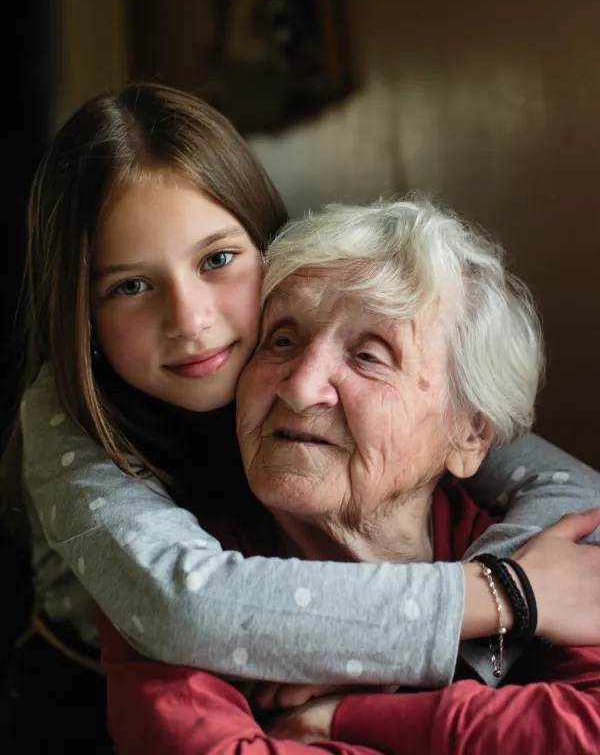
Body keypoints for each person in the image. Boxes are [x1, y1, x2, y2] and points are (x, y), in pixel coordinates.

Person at [2, 83, 599, 747]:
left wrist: (470, 650)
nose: (190, 320)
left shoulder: (437, 413)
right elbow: (185, 610)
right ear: (81, 315)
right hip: (78, 703)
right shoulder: (66, 415)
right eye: (131, 286)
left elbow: (572, 492)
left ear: (271, 248)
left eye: (218, 260)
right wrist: (504, 598)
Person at [100, 199, 600, 755]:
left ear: (469, 433)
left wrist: (345, 717)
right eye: (282, 340)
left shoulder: (554, 557)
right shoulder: (166, 582)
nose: (300, 385)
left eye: (368, 355)